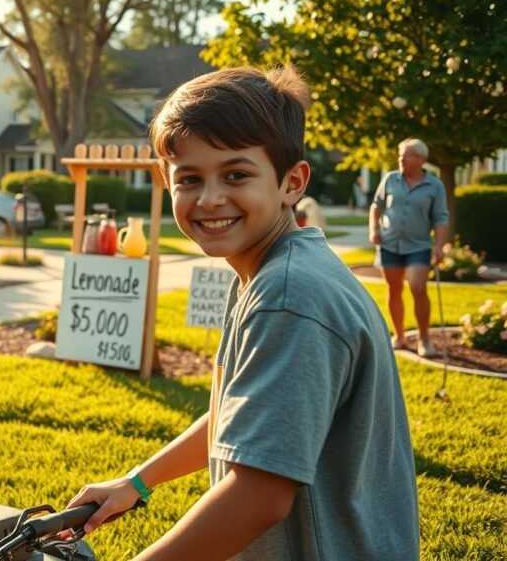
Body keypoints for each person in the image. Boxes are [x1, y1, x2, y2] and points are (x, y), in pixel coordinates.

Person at [65, 66, 419, 560]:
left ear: (291, 182)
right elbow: (244, 414)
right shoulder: (271, 270)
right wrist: (137, 482)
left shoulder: (288, 295)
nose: (210, 198)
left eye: (236, 174)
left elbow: (258, 498)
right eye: (189, 179)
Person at [370, 138, 450, 357]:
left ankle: (424, 338)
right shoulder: (390, 179)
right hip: (389, 243)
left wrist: (439, 245)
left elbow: (441, 217)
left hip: (418, 246)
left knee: (417, 287)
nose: (401, 159)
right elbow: (376, 205)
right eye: (400, 155)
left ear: (420, 159)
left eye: (406, 155)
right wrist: (373, 229)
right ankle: (400, 336)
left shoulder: (435, 185)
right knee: (393, 289)